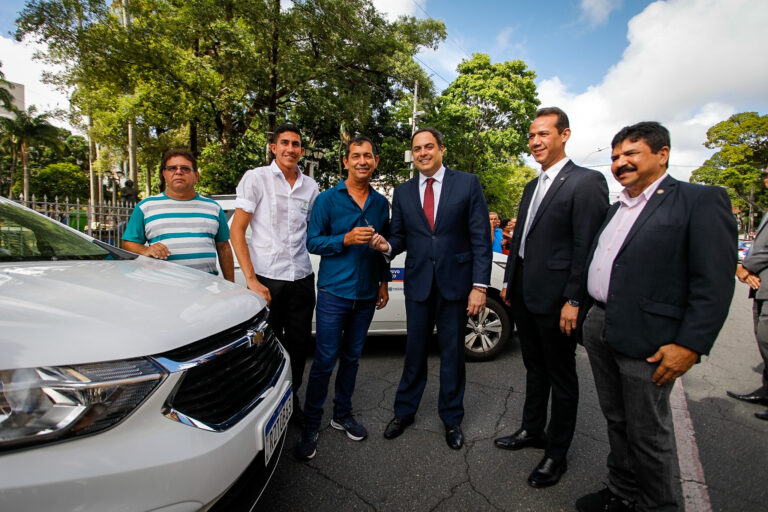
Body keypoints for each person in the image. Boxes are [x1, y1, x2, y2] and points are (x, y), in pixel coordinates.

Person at [577, 122, 736, 512]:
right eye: (615, 156)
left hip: (648, 337)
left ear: (662, 154)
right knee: (616, 420)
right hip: (600, 324)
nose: (620, 162)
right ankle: (622, 491)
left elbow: (713, 281)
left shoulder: (699, 201)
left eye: (631, 153)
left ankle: (659, 505)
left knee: (648, 432)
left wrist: (691, 344)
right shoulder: (617, 208)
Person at [495, 107, 609, 488]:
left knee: (561, 376)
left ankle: (556, 454)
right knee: (534, 367)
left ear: (565, 135)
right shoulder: (532, 185)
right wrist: (510, 281)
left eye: (543, 134)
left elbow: (586, 247)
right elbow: (522, 241)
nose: (535, 142)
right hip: (525, 293)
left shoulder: (586, 181)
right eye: (531, 136)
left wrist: (574, 300)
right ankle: (532, 431)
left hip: (559, 300)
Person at [370, 127, 491, 450]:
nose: (422, 153)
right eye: (417, 149)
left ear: (441, 149)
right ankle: (404, 412)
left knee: (452, 353)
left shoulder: (467, 183)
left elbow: (481, 238)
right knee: (414, 352)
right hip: (419, 283)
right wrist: (385, 245)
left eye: (428, 147)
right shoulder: (404, 192)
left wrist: (480, 286)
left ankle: (452, 419)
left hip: (456, 284)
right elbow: (399, 238)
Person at [295, 136, 391, 460]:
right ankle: (310, 424)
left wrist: (383, 283)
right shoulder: (327, 200)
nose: (362, 161)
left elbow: (383, 247)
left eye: (368, 156)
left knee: (352, 358)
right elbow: (313, 242)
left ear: (375, 161)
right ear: (346, 162)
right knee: (323, 360)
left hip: (365, 295)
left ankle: (341, 414)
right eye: (355, 156)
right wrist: (345, 239)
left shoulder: (380, 203)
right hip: (334, 292)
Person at [229, 123, 319, 421]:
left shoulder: (311, 187)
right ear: (274, 147)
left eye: (296, 144)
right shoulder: (256, 178)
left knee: (298, 345)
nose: (290, 149)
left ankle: (291, 402)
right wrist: (251, 280)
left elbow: (314, 231)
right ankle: (265, 407)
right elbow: (237, 231)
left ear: (302, 151)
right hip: (267, 280)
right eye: (285, 143)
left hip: (302, 279)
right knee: (265, 346)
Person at [121, 148, 234, 281]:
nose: (178, 172)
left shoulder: (213, 208)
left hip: (205, 291)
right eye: (172, 168)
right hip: (164, 288)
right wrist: (146, 250)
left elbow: (224, 247)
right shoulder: (146, 207)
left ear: (196, 176)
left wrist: (230, 284)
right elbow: (128, 243)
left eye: (185, 168)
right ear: (164, 174)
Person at [730, 165, 768, 421]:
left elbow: (764, 251)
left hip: (761, 279)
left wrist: (744, 267)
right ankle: (766, 390)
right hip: (762, 286)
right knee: (762, 337)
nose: (765, 179)